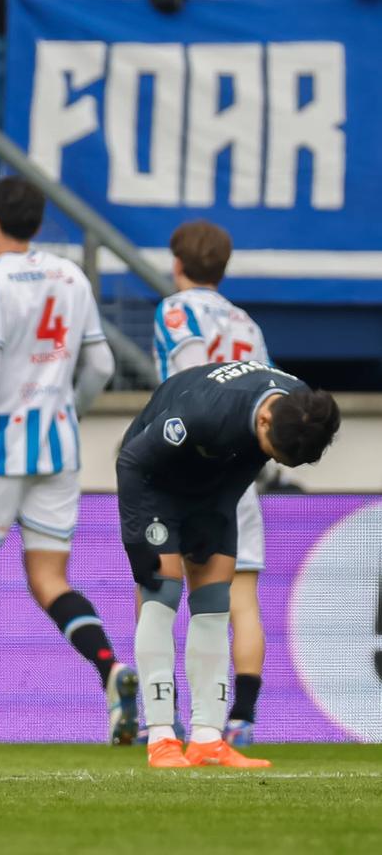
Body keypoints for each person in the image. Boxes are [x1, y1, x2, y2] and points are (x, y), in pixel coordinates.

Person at [0, 177, 134, 748]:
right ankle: (112, 668)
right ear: (38, 224)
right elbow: (101, 364)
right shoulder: (71, 275)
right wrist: (69, 411)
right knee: (50, 580)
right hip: (57, 448)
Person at [119, 361, 338, 768]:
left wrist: (217, 511)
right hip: (157, 485)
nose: (274, 461)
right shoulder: (205, 410)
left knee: (215, 603)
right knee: (162, 593)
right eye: (273, 452)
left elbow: (247, 461)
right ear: (265, 418)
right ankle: (162, 737)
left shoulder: (301, 407)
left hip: (213, 489)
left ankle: (207, 739)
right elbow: (132, 461)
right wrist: (134, 539)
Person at [152, 220, 272, 747]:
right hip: (239, 472)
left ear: (177, 263)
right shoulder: (247, 323)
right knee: (240, 596)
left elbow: (193, 382)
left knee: (159, 591)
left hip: (184, 466)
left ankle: (164, 714)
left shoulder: (175, 310)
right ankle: (241, 719)